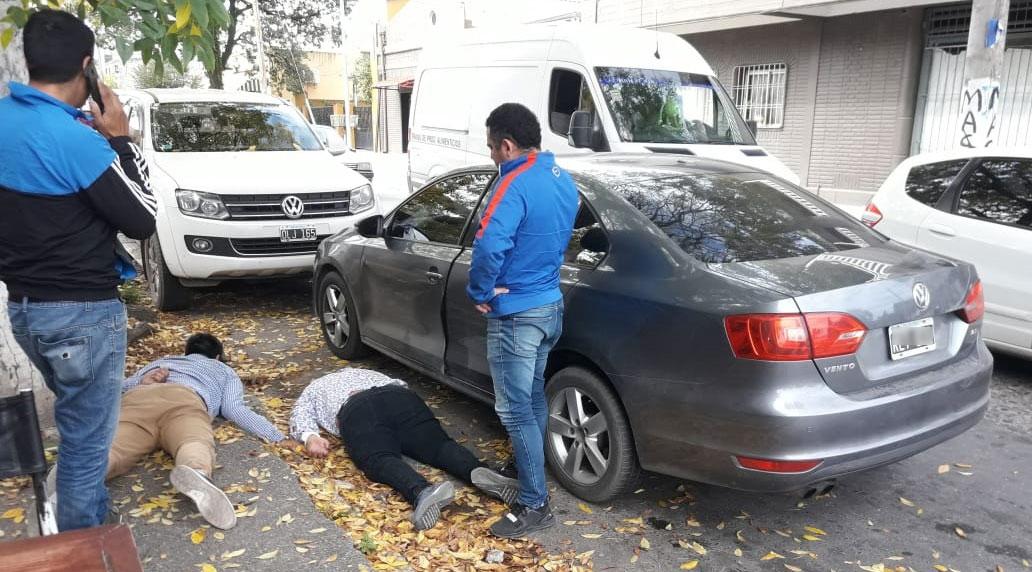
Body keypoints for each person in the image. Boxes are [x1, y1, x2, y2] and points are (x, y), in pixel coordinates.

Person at [0, 10, 156, 531]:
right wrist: (121, 140)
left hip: (26, 312)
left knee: (78, 428)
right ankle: (83, 547)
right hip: (83, 315)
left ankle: (90, 525)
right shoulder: (77, 140)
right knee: (87, 445)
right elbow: (143, 219)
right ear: (87, 66)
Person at [466, 103, 579, 538]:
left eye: (492, 147)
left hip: (516, 314)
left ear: (508, 145)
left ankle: (534, 503)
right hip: (550, 306)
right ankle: (525, 466)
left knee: (515, 411)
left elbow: (489, 244)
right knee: (531, 398)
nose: (491, 155)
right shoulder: (561, 178)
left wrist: (481, 292)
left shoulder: (512, 183)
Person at [103, 333, 294, 529]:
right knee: (193, 441)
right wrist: (276, 437)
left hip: (140, 398)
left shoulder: (163, 362)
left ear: (186, 352)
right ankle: (196, 470)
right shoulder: (224, 370)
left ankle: (91, 473)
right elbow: (234, 409)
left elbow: (118, 388)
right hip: (184, 400)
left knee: (115, 448)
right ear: (217, 357)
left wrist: (141, 382)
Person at [290, 369, 519, 531]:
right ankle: (476, 470)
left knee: (379, 458)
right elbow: (400, 385)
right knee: (437, 445)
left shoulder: (314, 388)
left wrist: (310, 437)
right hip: (399, 396)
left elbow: (300, 413)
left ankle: (421, 491)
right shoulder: (367, 372)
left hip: (357, 409)